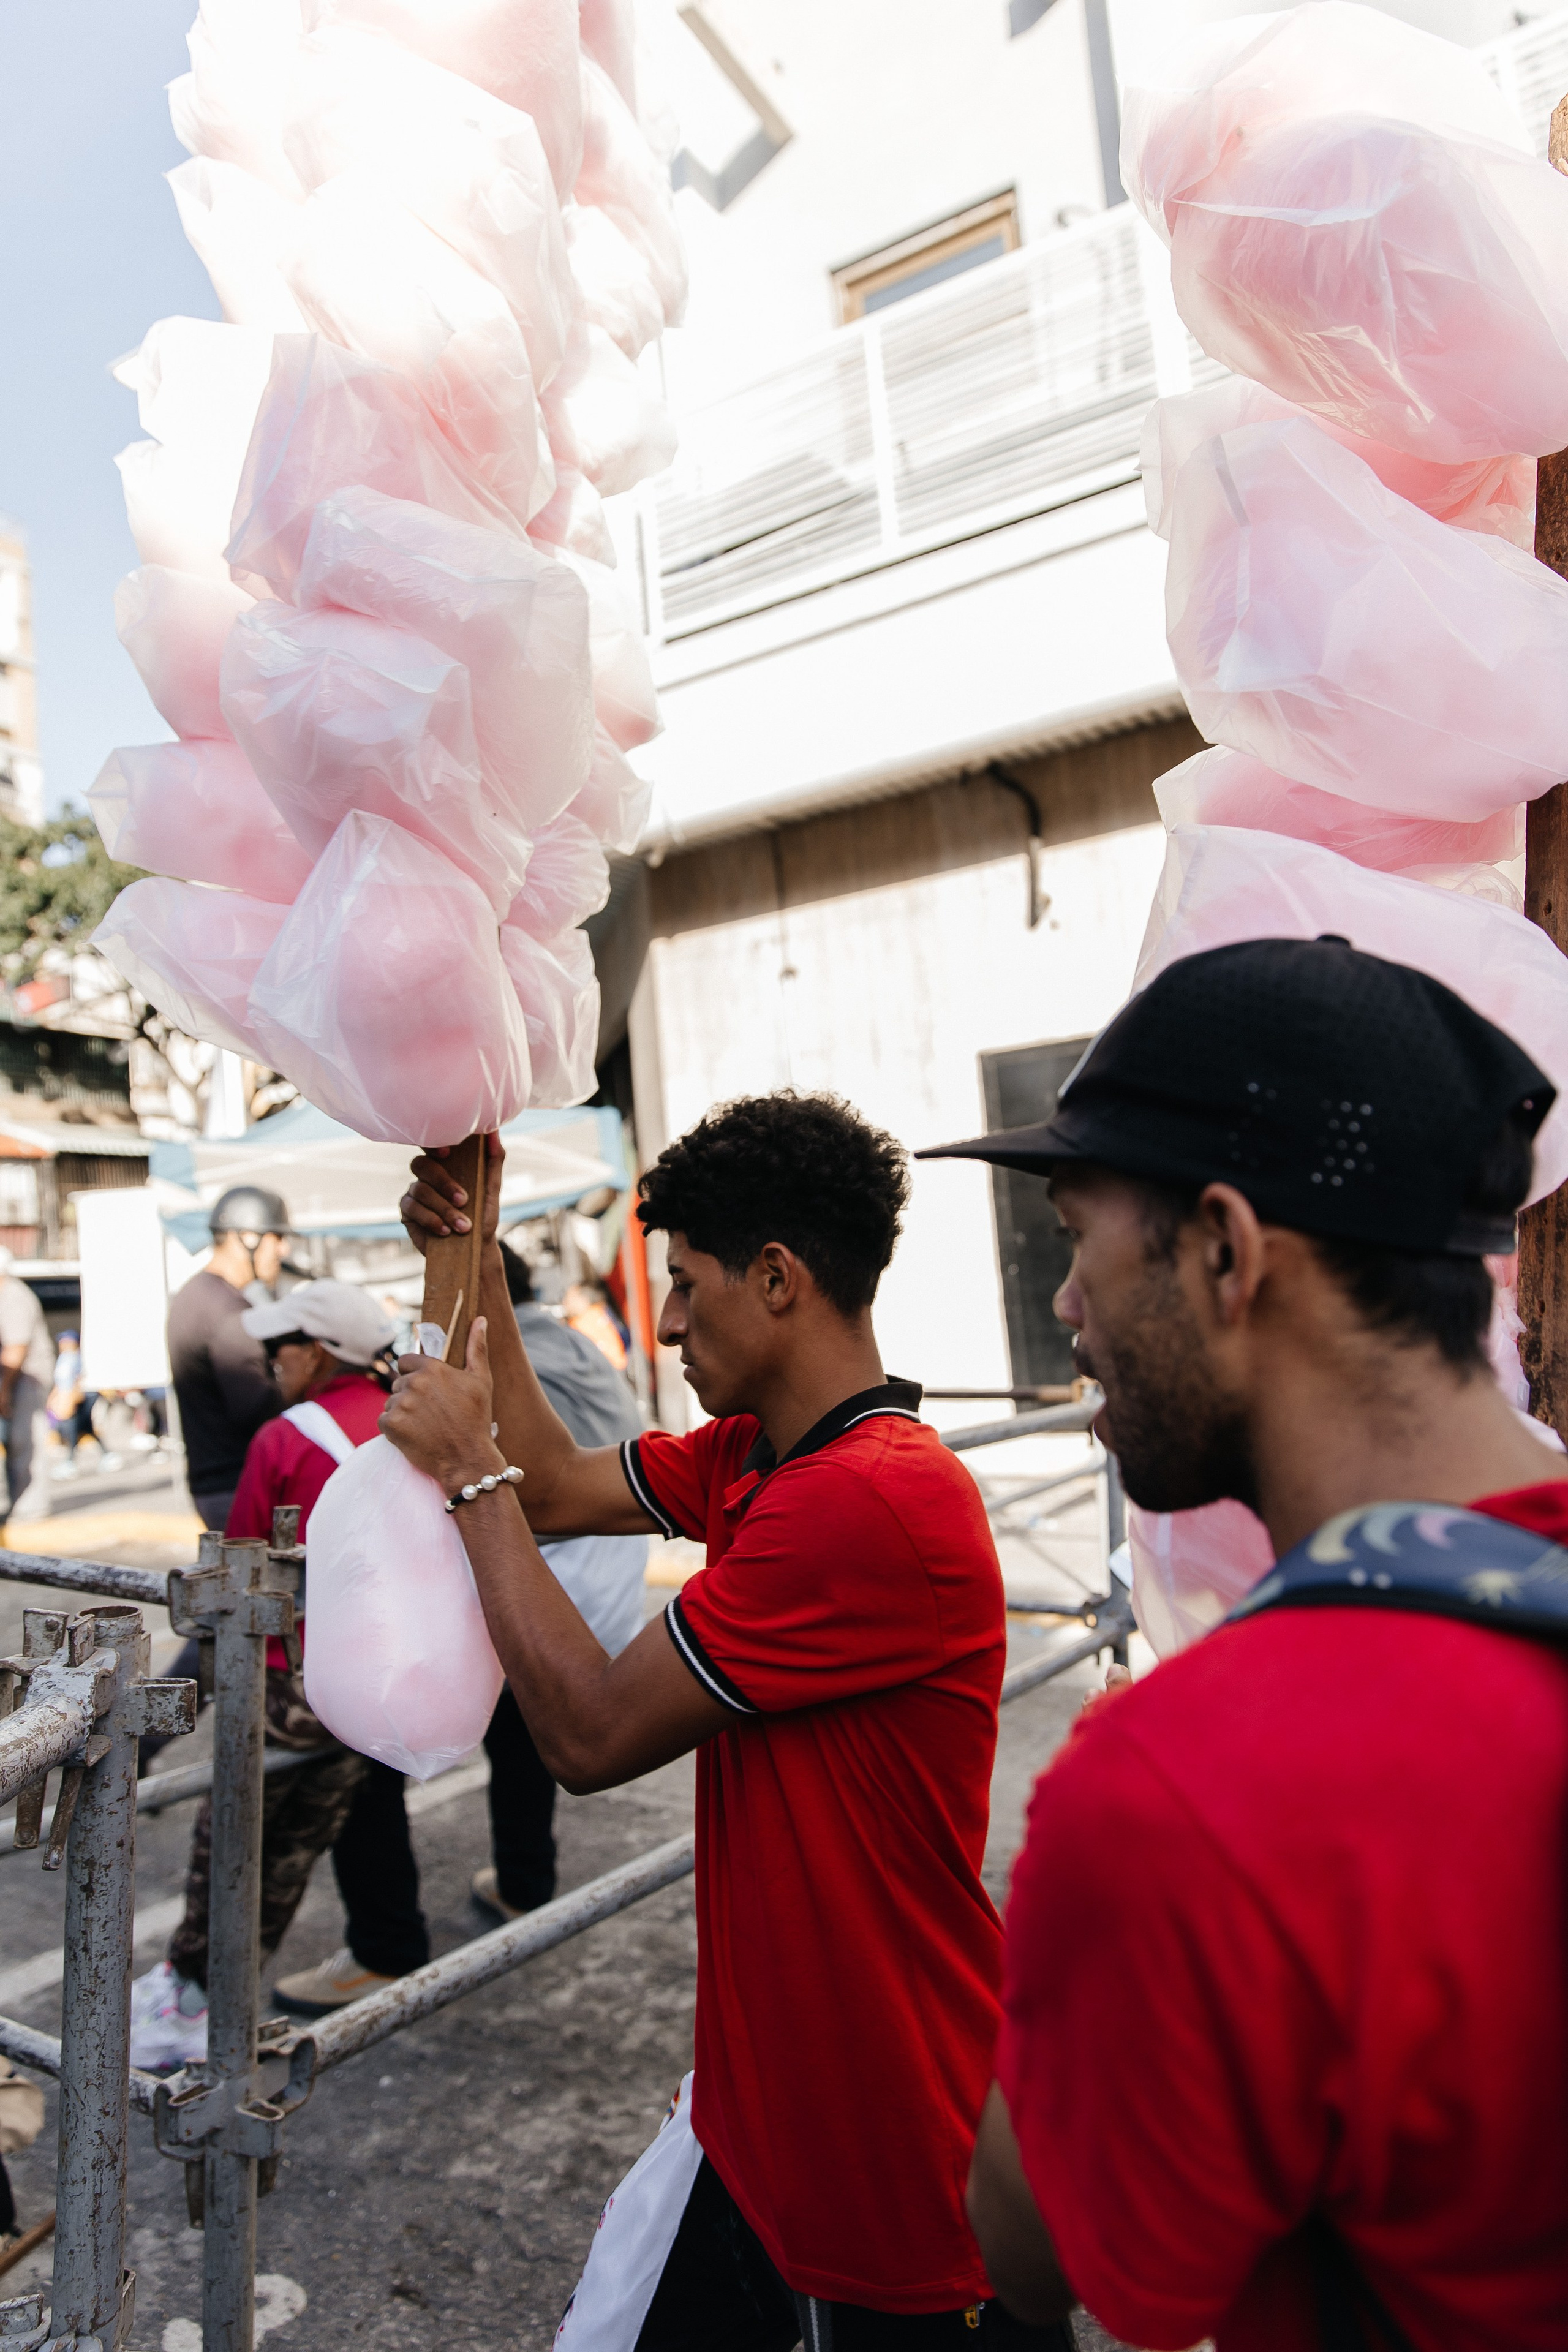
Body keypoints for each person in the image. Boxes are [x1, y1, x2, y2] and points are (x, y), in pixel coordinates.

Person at [935, 939, 1568, 2351]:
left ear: (1224, 1248)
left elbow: (1027, 2252)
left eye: (1074, 1234)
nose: (1062, 1304)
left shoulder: (1186, 1787)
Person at [391, 1094, 1066, 2348]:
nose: (674, 1317)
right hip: (766, 2123)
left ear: (775, 1279)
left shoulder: (868, 1501)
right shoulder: (759, 1456)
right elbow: (552, 1484)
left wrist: (464, 1476)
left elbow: (587, 1737)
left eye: (687, 1284)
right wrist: (476, 1254)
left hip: (895, 2155)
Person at [274, 1236, 651, 2014]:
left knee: (370, 1745)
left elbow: (510, 1491)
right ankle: (525, 1883)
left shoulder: (496, 1374)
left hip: (545, 1591)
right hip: (603, 1590)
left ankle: (385, 1949)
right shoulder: (575, 1344)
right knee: (524, 1739)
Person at [129, 1279, 399, 2071]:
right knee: (292, 1854)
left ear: (317, 1354)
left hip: (287, 1681)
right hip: (367, 1684)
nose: (271, 1360)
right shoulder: (402, 1424)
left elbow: (240, 1571)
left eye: (282, 1346)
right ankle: (219, 1995)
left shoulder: (285, 1438)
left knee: (230, 1844)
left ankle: (190, 1994)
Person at [167, 1185, 292, 1532]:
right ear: (247, 1237)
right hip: (236, 1484)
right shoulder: (226, 1310)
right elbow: (257, 1408)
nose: (284, 1249)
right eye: (276, 1237)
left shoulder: (194, 1294)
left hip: (214, 1482)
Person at [0, 1247, 54, 1525]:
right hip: (14, 1378)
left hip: (27, 1378)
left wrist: (4, 1390)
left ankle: (30, 1508)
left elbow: (16, 1350)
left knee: (25, 1441)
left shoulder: (13, 1296)